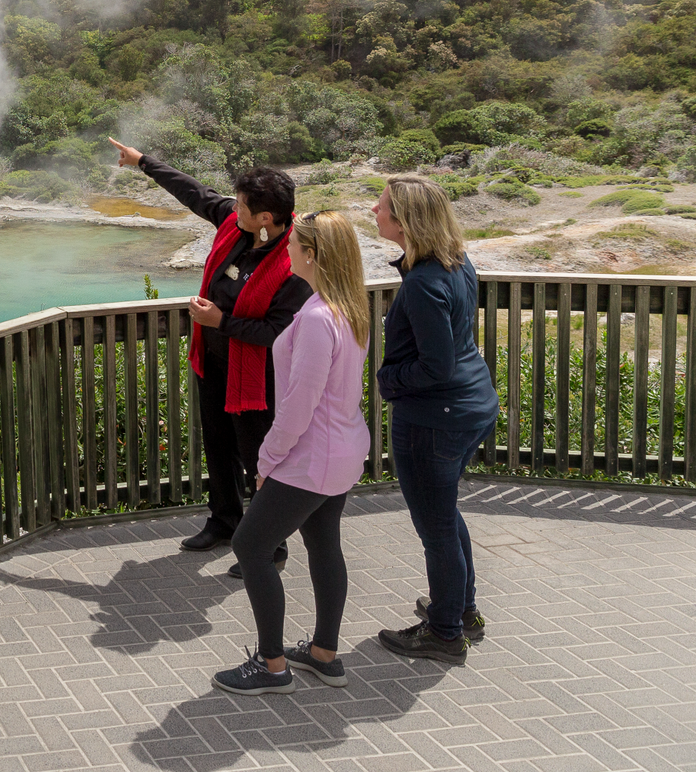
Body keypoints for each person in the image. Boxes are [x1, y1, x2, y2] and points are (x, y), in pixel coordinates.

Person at [108, 138, 310, 564]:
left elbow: (279, 332)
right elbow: (194, 192)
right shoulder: (237, 228)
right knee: (217, 444)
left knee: (260, 457)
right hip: (215, 362)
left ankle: (270, 542)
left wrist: (222, 323)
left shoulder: (293, 261)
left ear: (266, 218)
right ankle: (224, 521)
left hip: (259, 375)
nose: (232, 209)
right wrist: (143, 162)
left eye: (241, 205)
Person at [213, 211, 372, 695]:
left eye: (294, 245)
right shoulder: (348, 307)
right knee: (324, 544)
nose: (287, 251)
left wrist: (267, 461)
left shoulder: (320, 318)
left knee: (251, 546)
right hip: (341, 451)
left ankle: (272, 664)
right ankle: (324, 653)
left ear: (313, 255)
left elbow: (300, 404)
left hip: (310, 457)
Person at [371, 175, 497, 661]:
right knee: (445, 515)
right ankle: (460, 609)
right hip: (471, 406)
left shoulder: (424, 282)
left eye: (381, 207)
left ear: (405, 221)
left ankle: (445, 633)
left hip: (434, 418)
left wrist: (388, 380)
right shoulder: (457, 262)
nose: (374, 212)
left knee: (436, 527)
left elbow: (435, 365)